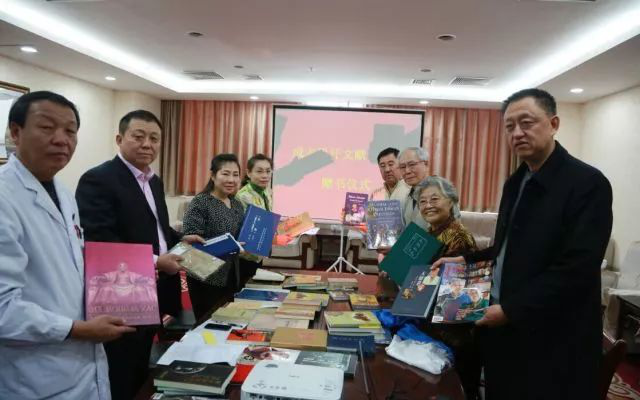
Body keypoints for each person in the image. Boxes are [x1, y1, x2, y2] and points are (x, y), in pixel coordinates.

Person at [433, 88, 613, 400]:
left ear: (554, 124)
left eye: (527, 123)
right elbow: (507, 248)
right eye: (509, 126)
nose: (517, 133)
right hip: (502, 326)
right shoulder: (516, 182)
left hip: (551, 336)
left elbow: (577, 269)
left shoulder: (587, 184)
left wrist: (510, 310)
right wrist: (466, 261)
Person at [0, 91, 134, 399]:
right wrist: (77, 329)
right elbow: (3, 309)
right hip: (32, 374)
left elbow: (72, 264)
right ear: (16, 132)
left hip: (81, 367)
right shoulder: (5, 197)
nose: (61, 140)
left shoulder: (63, 192)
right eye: (47, 127)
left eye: (70, 131)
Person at [76, 109, 202, 400]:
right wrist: (156, 261)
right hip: (121, 292)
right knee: (120, 365)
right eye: (139, 136)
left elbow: (155, 227)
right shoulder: (98, 179)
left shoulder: (153, 181)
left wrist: (179, 238)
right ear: (119, 139)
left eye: (154, 138)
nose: (147, 144)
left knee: (142, 360)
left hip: (155, 288)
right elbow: (100, 241)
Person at [183, 153, 246, 320]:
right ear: (213, 175)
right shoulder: (201, 202)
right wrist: (227, 246)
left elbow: (240, 236)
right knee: (207, 324)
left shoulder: (237, 204)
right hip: (205, 277)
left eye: (235, 175)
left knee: (228, 321)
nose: (231, 179)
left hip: (231, 274)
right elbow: (191, 239)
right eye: (225, 174)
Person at [236, 153, 274, 280]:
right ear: (249, 173)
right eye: (259, 171)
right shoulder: (243, 196)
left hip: (258, 252)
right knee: (245, 286)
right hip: (246, 254)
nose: (265, 175)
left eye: (268, 171)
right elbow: (247, 229)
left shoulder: (266, 191)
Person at [397, 147, 430, 230]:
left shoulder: (442, 193)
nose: (407, 171)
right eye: (402, 167)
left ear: (426, 164)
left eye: (412, 165)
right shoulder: (408, 196)